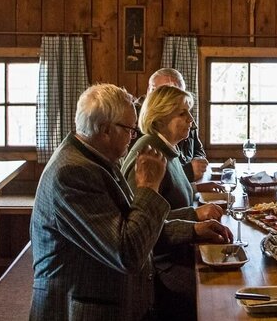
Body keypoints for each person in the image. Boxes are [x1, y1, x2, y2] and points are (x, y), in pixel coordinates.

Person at [29, 83, 232, 321]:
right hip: (84, 310)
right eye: (129, 129)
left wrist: (193, 228)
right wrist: (149, 188)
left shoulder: (97, 159)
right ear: (105, 130)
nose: (133, 136)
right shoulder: (71, 173)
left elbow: (130, 223)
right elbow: (127, 252)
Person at [120, 85, 224, 320]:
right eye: (183, 113)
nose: (191, 121)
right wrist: (195, 224)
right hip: (160, 267)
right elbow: (143, 224)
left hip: (177, 252)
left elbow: (167, 200)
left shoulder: (166, 148)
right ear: (160, 117)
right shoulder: (149, 154)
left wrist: (196, 190)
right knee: (217, 294)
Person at [143, 68, 210, 184]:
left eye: (178, 93)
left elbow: (198, 149)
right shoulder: (147, 136)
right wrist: (189, 171)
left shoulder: (184, 120)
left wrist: (198, 162)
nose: (190, 119)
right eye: (167, 93)